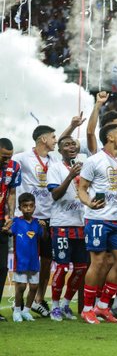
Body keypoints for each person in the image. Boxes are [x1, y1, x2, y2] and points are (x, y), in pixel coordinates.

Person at [77, 122, 117, 324]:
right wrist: (89, 203)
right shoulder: (94, 161)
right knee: (98, 262)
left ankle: (103, 307)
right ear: (110, 137)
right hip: (97, 218)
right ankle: (87, 309)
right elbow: (82, 188)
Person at [12, 124, 58, 318]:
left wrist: (73, 126)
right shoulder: (22, 158)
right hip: (27, 217)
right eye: (53, 137)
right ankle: (18, 304)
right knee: (24, 258)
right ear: (43, 139)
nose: (56, 140)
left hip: (49, 217)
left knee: (47, 261)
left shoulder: (54, 158)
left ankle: (38, 300)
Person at [46, 137, 88, 321]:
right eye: (66, 145)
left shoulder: (85, 164)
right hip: (61, 224)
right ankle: (54, 306)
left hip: (81, 223)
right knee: (62, 268)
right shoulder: (55, 168)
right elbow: (55, 195)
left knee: (80, 268)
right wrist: (70, 176)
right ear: (60, 150)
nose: (71, 147)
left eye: (73, 144)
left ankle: (66, 304)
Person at [11, 193, 42, 322]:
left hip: (34, 261)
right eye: (25, 206)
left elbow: (43, 238)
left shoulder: (37, 223)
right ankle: (17, 310)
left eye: (30, 206)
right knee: (22, 286)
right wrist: (7, 228)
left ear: (34, 207)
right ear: (20, 207)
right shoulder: (16, 222)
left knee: (34, 287)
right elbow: (8, 232)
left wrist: (44, 228)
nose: (28, 209)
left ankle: (26, 311)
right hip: (21, 261)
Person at [0, 138, 22, 321]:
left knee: (1, 268)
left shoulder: (14, 167)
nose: (7, 161)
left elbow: (11, 193)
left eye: (9, 157)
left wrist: (11, 217)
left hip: (2, 223)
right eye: (4, 157)